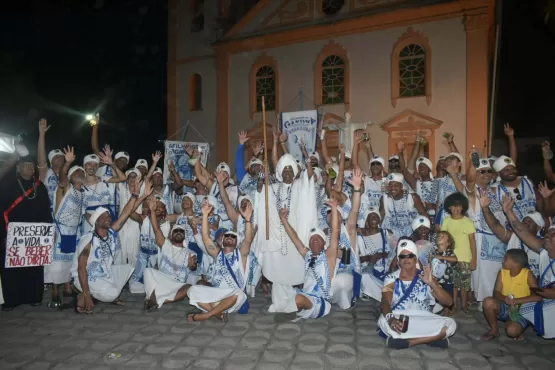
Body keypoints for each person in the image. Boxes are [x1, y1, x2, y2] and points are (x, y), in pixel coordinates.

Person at [72, 181, 149, 313]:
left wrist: (135, 196)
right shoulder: (89, 239)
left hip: (103, 274)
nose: (108, 219)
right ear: (96, 222)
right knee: (112, 294)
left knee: (128, 268)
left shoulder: (111, 233)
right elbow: (81, 268)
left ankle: (98, 294)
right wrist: (86, 293)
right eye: (104, 217)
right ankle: (84, 294)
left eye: (108, 216)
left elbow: (125, 213)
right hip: (87, 277)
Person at [254, 153, 317, 313]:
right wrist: (262, 177)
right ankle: (278, 303)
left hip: (295, 236)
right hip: (277, 237)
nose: (288, 172)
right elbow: (260, 191)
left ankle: (291, 300)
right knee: (277, 271)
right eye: (285, 170)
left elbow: (309, 178)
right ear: (280, 173)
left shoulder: (299, 186)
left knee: (292, 271)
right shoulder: (273, 188)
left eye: (290, 170)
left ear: (295, 172)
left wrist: (306, 158)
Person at [186, 199, 255, 322]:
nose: (229, 237)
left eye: (232, 236)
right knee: (192, 290)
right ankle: (218, 314)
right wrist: (205, 215)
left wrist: (248, 220)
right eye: (226, 236)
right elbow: (206, 238)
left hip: (232, 298)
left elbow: (248, 240)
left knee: (239, 294)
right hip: (216, 294)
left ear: (237, 242)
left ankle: (207, 314)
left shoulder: (241, 254)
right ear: (222, 242)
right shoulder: (217, 254)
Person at [378, 240, 456, 349]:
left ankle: (409, 342)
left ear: (415, 258)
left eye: (410, 255)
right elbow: (385, 301)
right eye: (402, 256)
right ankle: (433, 339)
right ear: (398, 260)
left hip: (423, 317)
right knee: (383, 320)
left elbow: (449, 302)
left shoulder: (426, 277)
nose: (406, 259)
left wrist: (433, 284)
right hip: (400, 318)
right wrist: (391, 319)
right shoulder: (391, 279)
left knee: (451, 324)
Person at [273, 197, 340, 322]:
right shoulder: (307, 255)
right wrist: (283, 219)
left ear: (323, 242)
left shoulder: (328, 256)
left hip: (318, 302)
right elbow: (294, 238)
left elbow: (335, 233)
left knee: (299, 299)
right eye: (312, 239)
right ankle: (291, 309)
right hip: (303, 293)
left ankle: (290, 310)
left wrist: (334, 208)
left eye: (318, 238)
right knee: (277, 284)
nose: (314, 240)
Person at [0, 152, 53, 311]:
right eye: (26, 165)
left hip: (34, 235)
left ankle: (33, 296)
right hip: (12, 234)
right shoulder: (8, 185)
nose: (30, 168)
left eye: (32, 166)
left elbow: (46, 211)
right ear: (18, 167)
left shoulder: (39, 186)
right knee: (11, 266)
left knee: (34, 265)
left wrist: (48, 230)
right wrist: (3, 233)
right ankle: (12, 299)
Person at [44, 147, 85, 308]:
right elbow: (61, 178)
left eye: (82, 172)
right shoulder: (64, 188)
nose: (80, 174)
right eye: (76, 172)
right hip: (60, 231)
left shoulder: (82, 193)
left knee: (69, 262)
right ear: (70, 176)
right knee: (56, 264)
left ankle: (68, 288)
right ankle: (55, 293)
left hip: (73, 231)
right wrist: (67, 163)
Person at [143, 197, 198, 312]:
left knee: (188, 288)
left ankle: (156, 300)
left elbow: (193, 267)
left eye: (181, 231)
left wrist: (192, 265)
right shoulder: (165, 244)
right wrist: (152, 210)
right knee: (147, 271)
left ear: (184, 236)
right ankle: (158, 299)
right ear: (171, 235)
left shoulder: (190, 253)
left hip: (176, 284)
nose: (178, 233)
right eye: (176, 231)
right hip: (162, 279)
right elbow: (156, 228)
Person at [479, 249, 541, 341]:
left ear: (516, 263)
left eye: (506, 258)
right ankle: (494, 330)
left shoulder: (527, 274)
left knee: (512, 331)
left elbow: (538, 297)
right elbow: (496, 293)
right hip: (506, 306)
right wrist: (505, 299)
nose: (502, 260)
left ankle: (514, 324)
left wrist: (516, 301)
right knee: (488, 302)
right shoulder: (502, 273)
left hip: (522, 310)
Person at [441, 192, 476, 315]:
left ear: (463, 207)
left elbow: (472, 242)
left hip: (465, 258)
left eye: (459, 206)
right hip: (450, 258)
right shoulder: (446, 221)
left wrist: (474, 260)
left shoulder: (468, 222)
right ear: (449, 207)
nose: (455, 209)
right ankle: (454, 305)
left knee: (464, 285)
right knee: (453, 284)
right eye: (453, 206)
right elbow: (442, 239)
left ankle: (465, 305)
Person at [81, 145, 126, 234]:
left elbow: (123, 178)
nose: (92, 167)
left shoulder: (104, 179)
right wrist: (89, 217)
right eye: (89, 164)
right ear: (84, 166)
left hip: (106, 219)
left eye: (95, 165)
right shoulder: (79, 184)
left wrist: (111, 163)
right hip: (88, 221)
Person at [358, 207, 393, 302]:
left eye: (376, 216)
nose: (374, 218)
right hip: (371, 272)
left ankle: (381, 294)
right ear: (366, 221)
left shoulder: (387, 233)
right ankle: (385, 296)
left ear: (379, 220)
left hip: (387, 272)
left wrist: (382, 255)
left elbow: (396, 252)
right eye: (371, 216)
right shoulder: (360, 238)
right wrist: (370, 258)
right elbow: (356, 259)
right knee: (364, 277)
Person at [380, 173, 428, 238]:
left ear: (401, 186)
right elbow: (381, 216)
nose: (392, 188)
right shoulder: (385, 198)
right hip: (392, 234)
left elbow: (423, 214)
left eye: (396, 185)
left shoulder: (412, 197)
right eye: (390, 185)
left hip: (411, 232)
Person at [429, 231, 457, 316]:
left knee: (447, 297)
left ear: (448, 242)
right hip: (436, 279)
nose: (439, 237)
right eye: (438, 236)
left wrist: (441, 257)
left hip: (447, 280)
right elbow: (430, 263)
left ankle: (446, 315)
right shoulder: (433, 251)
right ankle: (435, 311)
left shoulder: (449, 252)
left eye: (443, 236)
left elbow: (455, 259)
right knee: (436, 295)